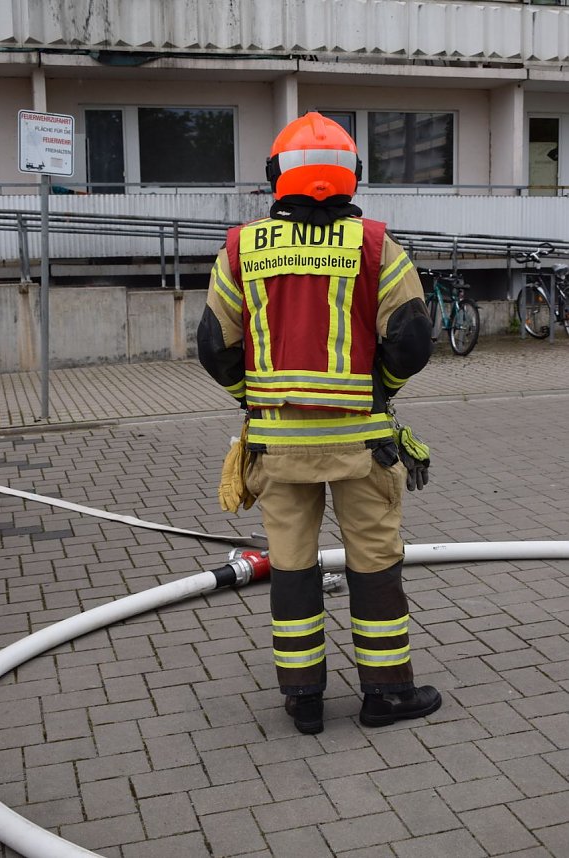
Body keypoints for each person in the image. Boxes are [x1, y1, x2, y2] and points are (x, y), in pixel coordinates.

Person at [197, 112, 441, 735]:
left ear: (276, 176)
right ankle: (386, 695)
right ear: (352, 176)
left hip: (277, 447)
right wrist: (377, 392)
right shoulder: (376, 246)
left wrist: (251, 401)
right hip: (361, 445)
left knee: (293, 565)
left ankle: (303, 700)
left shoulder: (240, 248)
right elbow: (411, 340)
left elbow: (213, 346)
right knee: (374, 563)